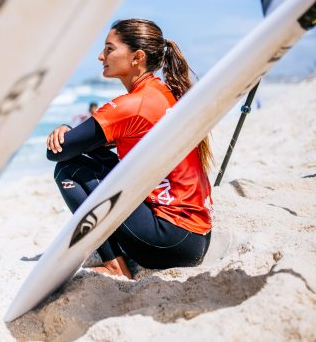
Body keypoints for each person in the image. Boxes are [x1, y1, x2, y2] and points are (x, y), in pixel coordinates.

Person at [46, 19, 213, 278]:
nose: (101, 56)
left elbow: (56, 152)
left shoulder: (132, 105)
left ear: (137, 57)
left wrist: (64, 129)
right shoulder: (163, 93)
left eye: (109, 49)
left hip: (167, 241)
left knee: (67, 168)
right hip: (197, 238)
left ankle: (115, 265)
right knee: (94, 155)